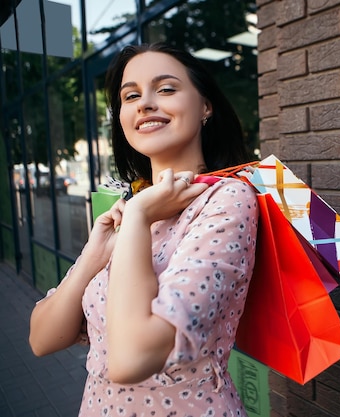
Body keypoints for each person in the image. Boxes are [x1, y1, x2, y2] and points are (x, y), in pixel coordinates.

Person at [29, 43, 259, 417]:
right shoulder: (133, 204)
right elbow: (41, 339)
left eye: (165, 89)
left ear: (205, 106)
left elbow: (131, 360)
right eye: (130, 95)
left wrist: (137, 218)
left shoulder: (227, 199)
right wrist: (93, 256)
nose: (145, 103)